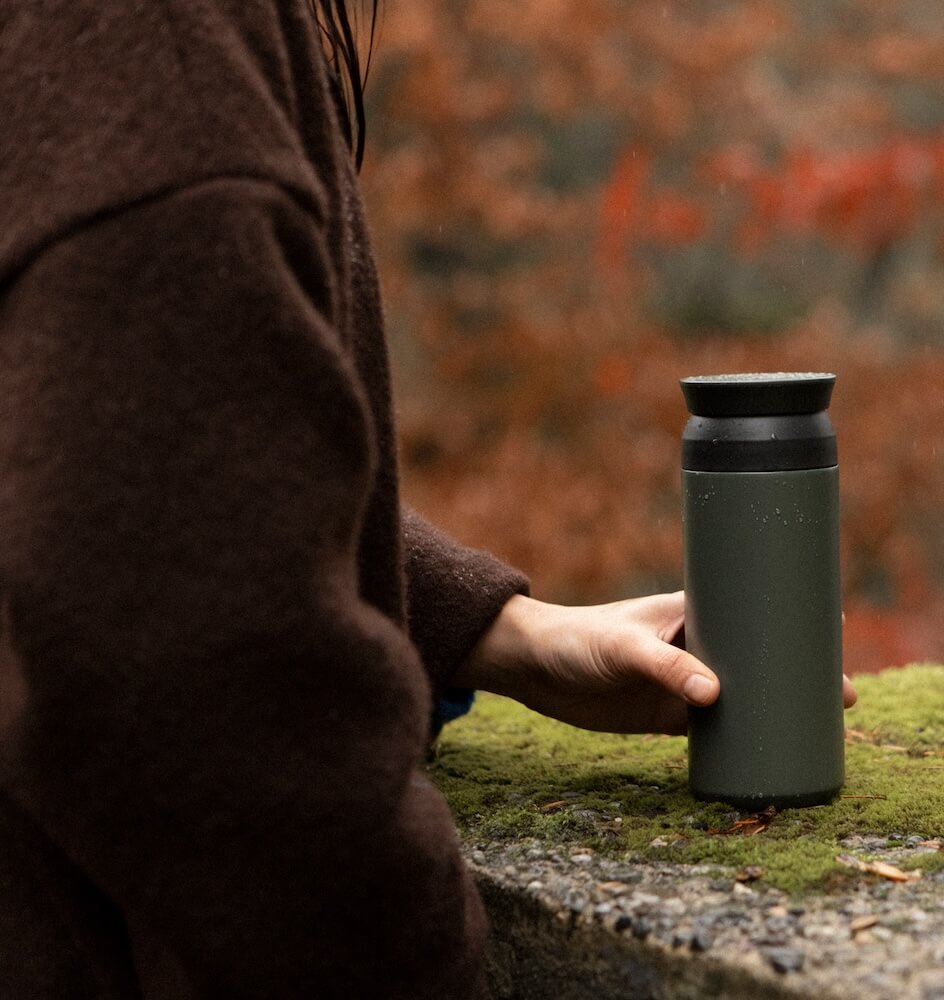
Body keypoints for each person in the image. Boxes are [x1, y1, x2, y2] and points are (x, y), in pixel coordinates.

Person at [0, 3, 855, 998]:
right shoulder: (162, 44)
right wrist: (421, 963)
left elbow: (120, 463)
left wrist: (496, 628)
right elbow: (191, 670)